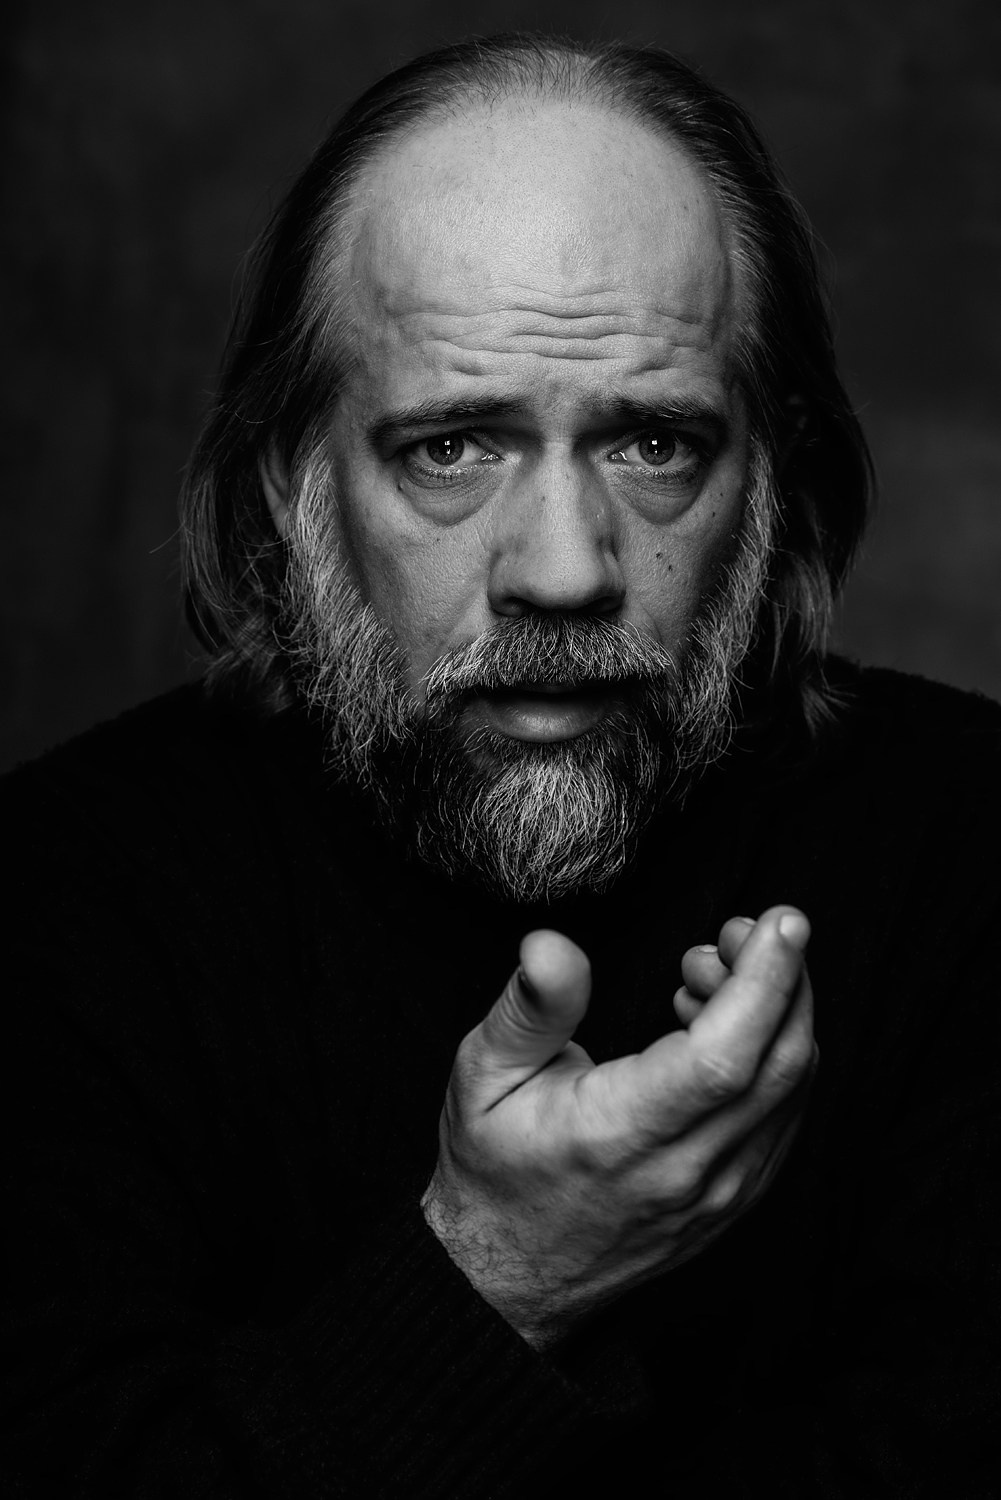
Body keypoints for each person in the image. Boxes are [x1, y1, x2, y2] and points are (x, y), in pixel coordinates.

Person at [4, 32, 999, 1498]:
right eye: (454, 447)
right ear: (290, 484)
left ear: (769, 483)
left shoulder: (977, 853)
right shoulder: (50, 904)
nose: (562, 571)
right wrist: (497, 1275)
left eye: (652, 443)